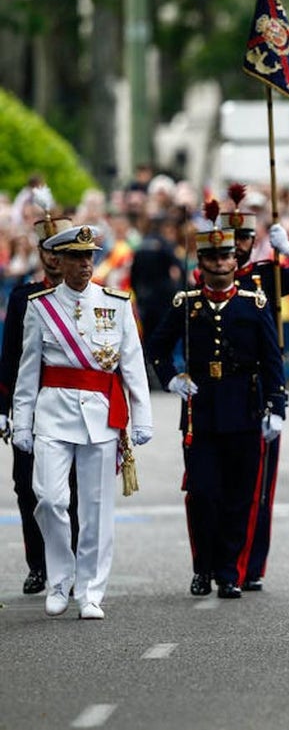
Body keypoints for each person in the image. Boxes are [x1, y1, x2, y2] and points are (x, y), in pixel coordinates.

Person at [11, 224, 153, 620]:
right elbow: (28, 370)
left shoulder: (116, 303)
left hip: (100, 416)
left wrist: (142, 416)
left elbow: (132, 363)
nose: (85, 264)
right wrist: (21, 421)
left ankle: (89, 591)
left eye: (89, 256)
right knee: (49, 499)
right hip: (53, 414)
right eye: (76, 257)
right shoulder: (40, 307)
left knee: (96, 510)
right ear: (59, 260)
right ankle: (59, 580)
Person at [146, 205, 285, 599]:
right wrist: (172, 377)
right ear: (201, 262)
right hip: (201, 412)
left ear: (234, 260)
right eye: (212, 257)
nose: (221, 263)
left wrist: (276, 407)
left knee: (240, 497)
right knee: (203, 494)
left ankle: (228, 572)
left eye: (226, 256)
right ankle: (202, 566)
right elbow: (156, 348)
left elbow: (271, 361)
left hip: (244, 408)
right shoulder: (186, 303)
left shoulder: (253, 303)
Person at [226, 187, 289, 592]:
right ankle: (215, 563)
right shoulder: (202, 279)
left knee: (259, 486)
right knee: (215, 484)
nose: (236, 247)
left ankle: (251, 565)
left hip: (258, 385)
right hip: (218, 389)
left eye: (244, 239)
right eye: (230, 239)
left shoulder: (265, 275)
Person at [0, 211, 78, 595]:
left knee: (73, 490)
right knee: (28, 488)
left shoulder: (88, 297)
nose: (52, 257)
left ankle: (72, 562)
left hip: (74, 405)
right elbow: (10, 357)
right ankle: (39, 564)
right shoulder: (24, 297)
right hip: (32, 406)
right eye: (47, 249)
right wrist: (3, 408)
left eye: (59, 249)